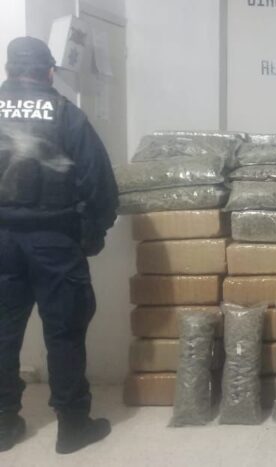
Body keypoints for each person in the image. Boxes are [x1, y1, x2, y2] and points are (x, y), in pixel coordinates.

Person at [0, 37, 118, 454]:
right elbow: (99, 184)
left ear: (9, 70)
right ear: (49, 72)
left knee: (2, 332)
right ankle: (72, 426)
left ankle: (3, 425)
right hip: (55, 241)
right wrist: (92, 235)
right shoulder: (66, 114)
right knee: (65, 332)